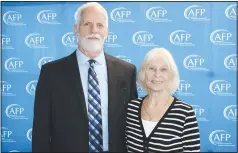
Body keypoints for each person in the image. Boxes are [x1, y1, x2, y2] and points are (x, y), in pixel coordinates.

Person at [32, 2, 138, 152]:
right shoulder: (51, 72)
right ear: (76, 29)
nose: (94, 30)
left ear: (106, 32)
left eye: (99, 25)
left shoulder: (127, 72)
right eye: (87, 24)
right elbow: (40, 130)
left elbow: (133, 125)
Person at [125, 48, 200, 152]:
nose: (157, 74)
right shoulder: (132, 108)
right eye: (151, 68)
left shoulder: (184, 113)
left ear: (171, 75)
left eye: (163, 69)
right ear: (143, 73)